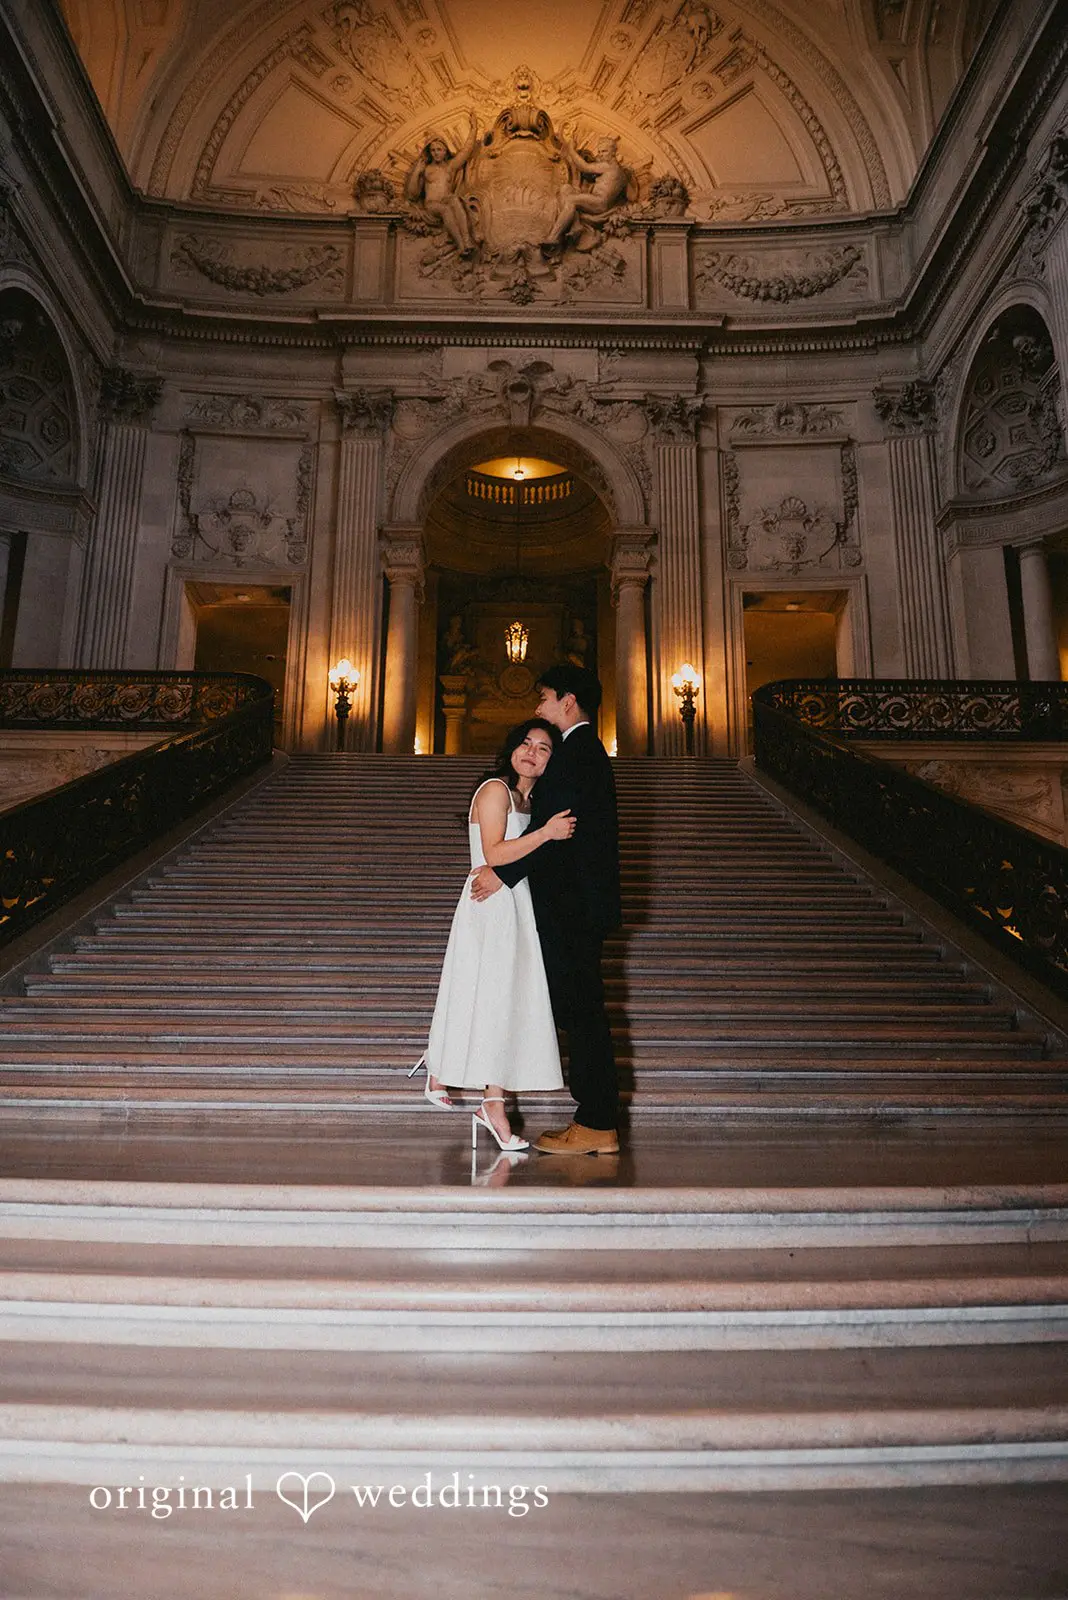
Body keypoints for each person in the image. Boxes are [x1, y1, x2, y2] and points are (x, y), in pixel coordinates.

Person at [471, 664, 621, 1155]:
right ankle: (595, 1119)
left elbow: (563, 831)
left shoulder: (576, 754)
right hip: (575, 907)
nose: (538, 707)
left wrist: (503, 873)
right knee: (580, 1012)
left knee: (581, 1014)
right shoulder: (582, 753)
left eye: (545, 698)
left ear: (568, 702)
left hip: (573, 910)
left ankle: (596, 1122)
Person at [412, 718, 574, 1151]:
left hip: (516, 907)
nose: (531, 752)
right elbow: (494, 853)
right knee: (489, 996)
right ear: (512, 747)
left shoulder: (529, 798)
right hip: (489, 906)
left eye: (543, 749)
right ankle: (453, 1073)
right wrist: (547, 833)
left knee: (503, 1003)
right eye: (526, 743)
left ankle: (483, 1097)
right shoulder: (495, 790)